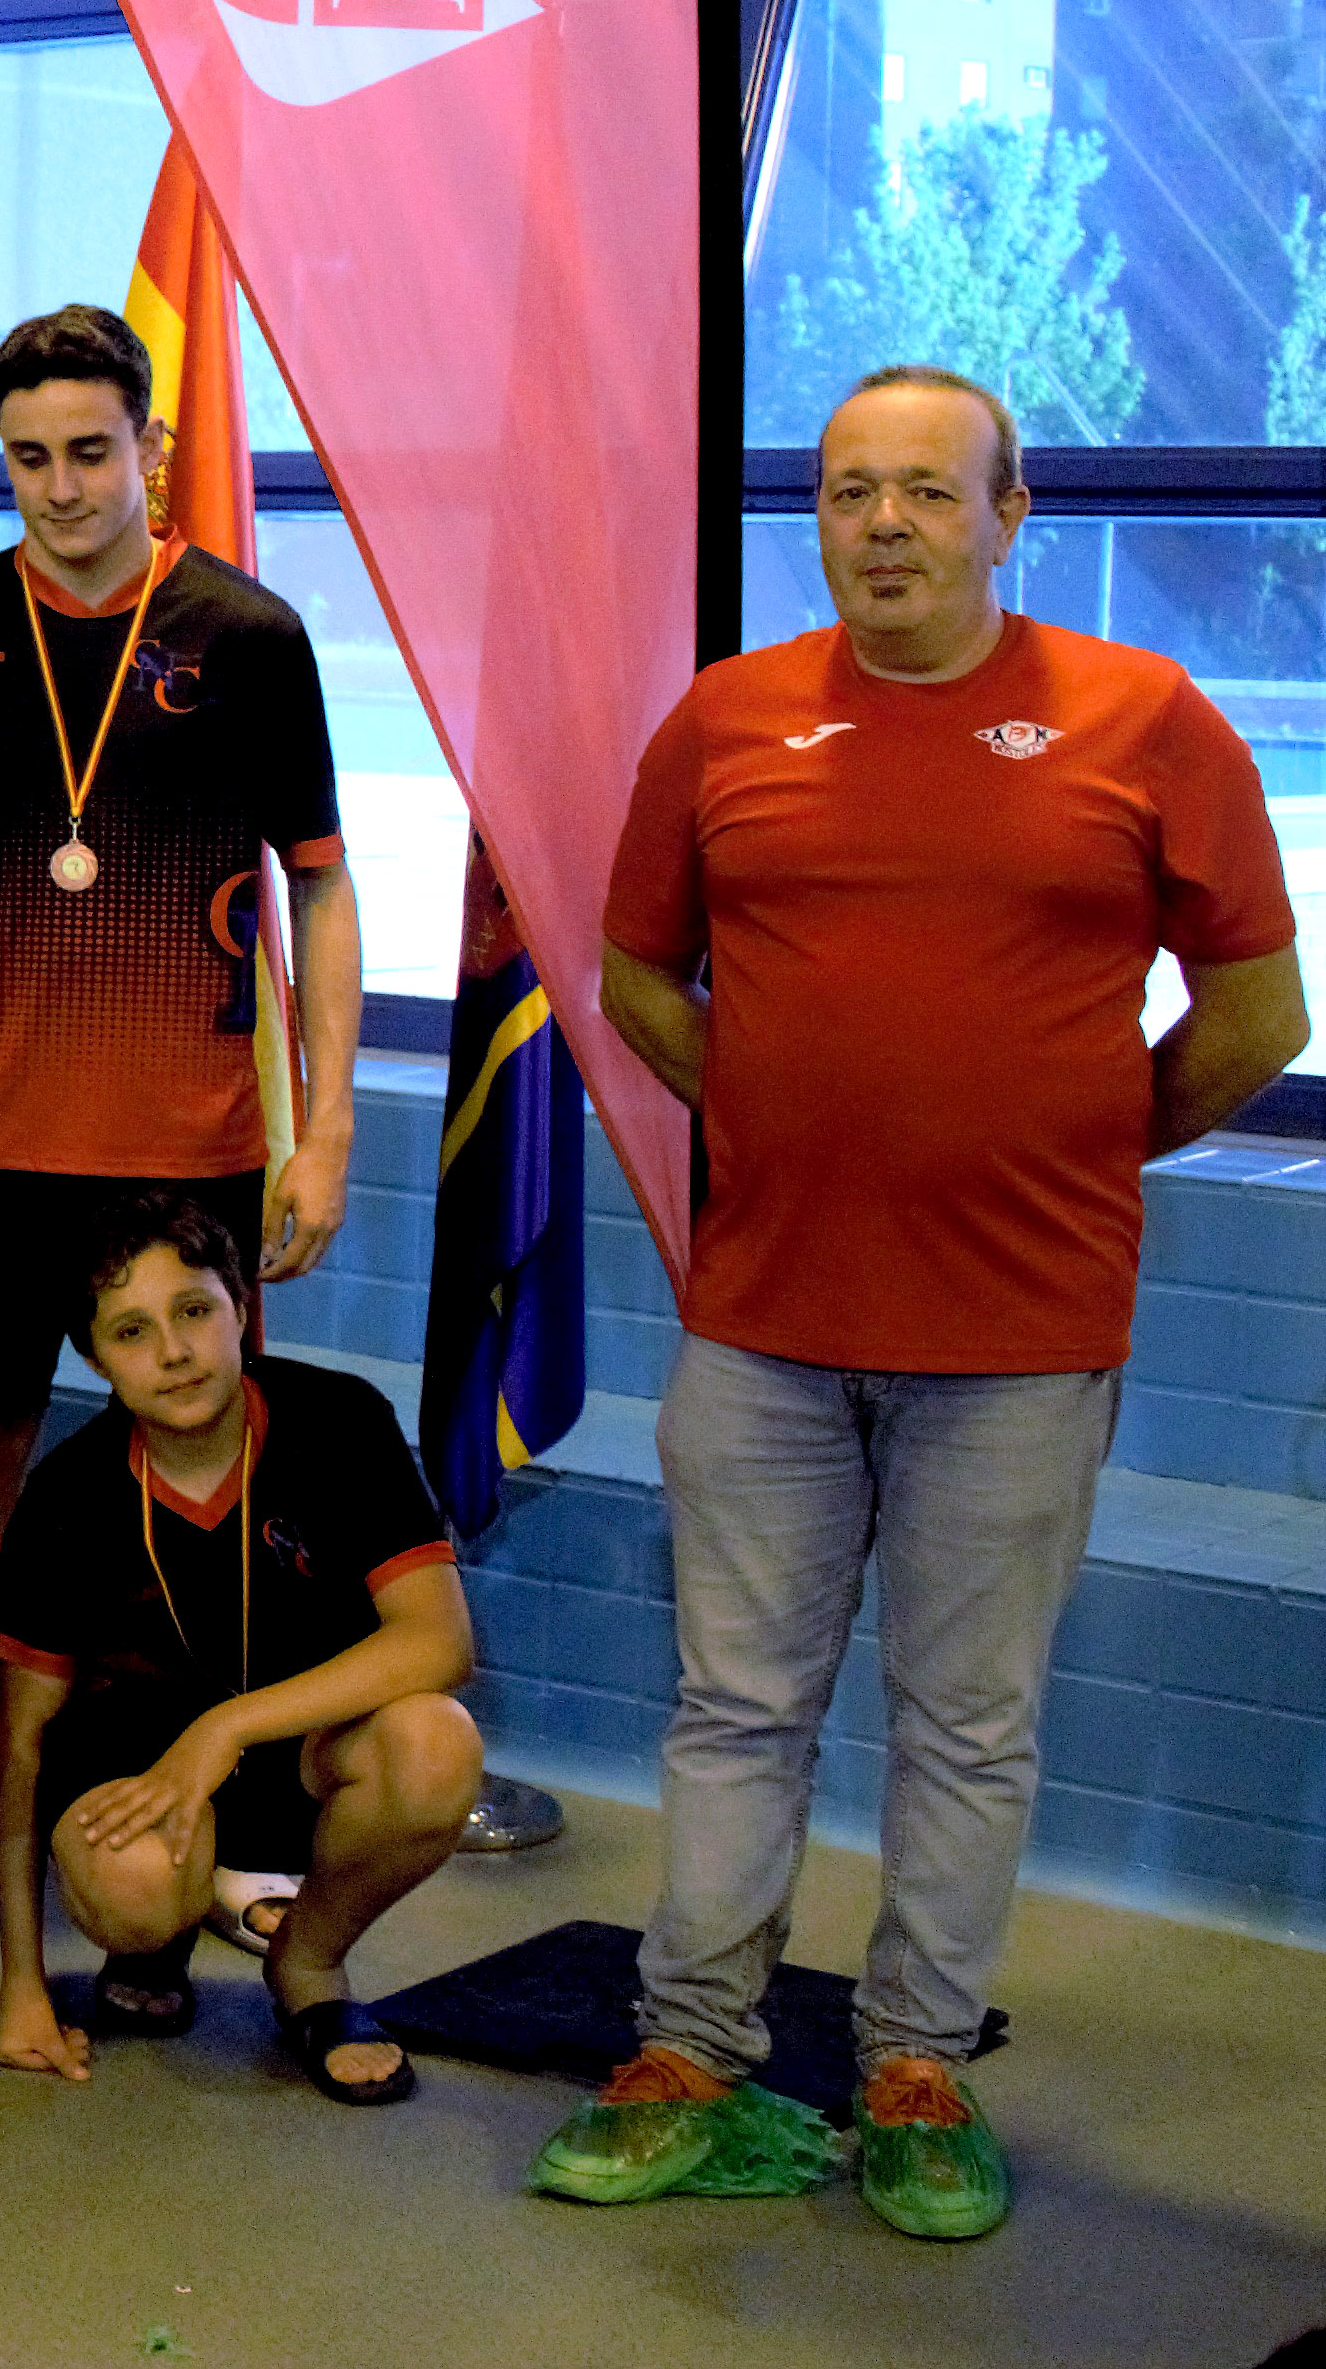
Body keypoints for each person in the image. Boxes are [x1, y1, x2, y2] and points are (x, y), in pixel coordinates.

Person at [537, 365, 1305, 2239]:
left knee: (966, 1724)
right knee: (735, 1708)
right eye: (848, 490)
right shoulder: (727, 721)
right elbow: (634, 977)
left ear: (1007, 513)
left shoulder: (1145, 718)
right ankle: (689, 2051)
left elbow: (1256, 1014)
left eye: (926, 490)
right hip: (763, 1324)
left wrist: (1078, 1140)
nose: (883, 523)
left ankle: (915, 2065)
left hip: (1021, 1340)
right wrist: (775, 1115)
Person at [0, 304, 359, 1494]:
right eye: (29, 458)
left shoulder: (248, 635)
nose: (59, 489)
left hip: (184, 1149)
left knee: (204, 1464)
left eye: (88, 453)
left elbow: (320, 884)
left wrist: (325, 1130)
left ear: (148, 447)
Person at [0, 1193, 481, 2104]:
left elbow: (439, 1641)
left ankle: (309, 1964)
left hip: (299, 1756)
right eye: (131, 1331)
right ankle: (155, 1940)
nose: (173, 1351)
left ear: (241, 1308)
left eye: (194, 1310)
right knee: (135, 1887)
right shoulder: (67, 1494)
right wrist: (20, 1983)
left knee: (435, 1745)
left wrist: (226, 1726)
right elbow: (18, 1747)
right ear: (92, 1359)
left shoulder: (337, 1418)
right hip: (140, 1779)